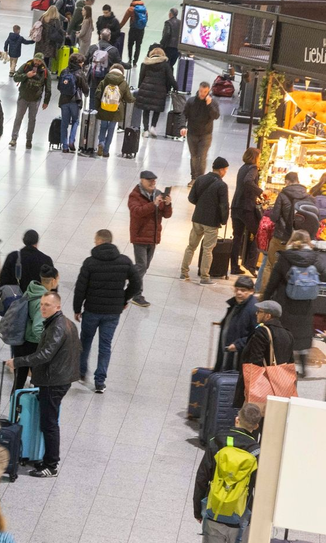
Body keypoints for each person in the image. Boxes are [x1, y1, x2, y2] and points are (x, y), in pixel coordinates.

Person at [6, 291, 80, 477]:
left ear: (58, 306)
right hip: (59, 378)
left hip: (54, 382)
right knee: (48, 422)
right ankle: (46, 459)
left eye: (47, 305)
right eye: (41, 304)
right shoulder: (66, 323)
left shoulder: (57, 327)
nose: (43, 308)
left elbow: (45, 354)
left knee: (49, 424)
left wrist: (18, 361)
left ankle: (51, 465)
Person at [74, 229, 142, 393]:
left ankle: (81, 372)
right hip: (112, 312)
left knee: (85, 341)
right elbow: (137, 283)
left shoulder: (90, 262)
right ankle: (100, 381)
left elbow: (80, 288)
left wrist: (77, 308)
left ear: (98, 241)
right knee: (105, 346)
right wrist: (123, 299)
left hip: (91, 310)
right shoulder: (125, 261)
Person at [193, 402, 262, 543]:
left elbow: (202, 477)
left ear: (237, 419)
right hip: (241, 518)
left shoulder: (218, 440)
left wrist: (198, 509)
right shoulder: (257, 451)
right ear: (256, 425)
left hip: (214, 512)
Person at [261, 231, 326, 376]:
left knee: (285, 334)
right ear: (308, 242)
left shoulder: (285, 257)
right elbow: (323, 274)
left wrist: (265, 298)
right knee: (303, 335)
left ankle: (283, 366)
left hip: (286, 301)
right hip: (306, 304)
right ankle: (303, 369)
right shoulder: (314, 258)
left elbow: (273, 281)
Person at [127, 171, 172, 308]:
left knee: (144, 266)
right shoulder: (135, 195)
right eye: (149, 181)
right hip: (140, 236)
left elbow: (167, 215)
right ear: (142, 180)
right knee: (141, 265)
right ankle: (136, 294)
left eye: (154, 181)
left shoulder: (157, 193)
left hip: (153, 237)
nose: (153, 183)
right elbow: (136, 212)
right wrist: (153, 204)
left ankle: (129, 280)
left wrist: (168, 204)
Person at [182, 157, 231, 284]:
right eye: (225, 170)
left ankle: (184, 272)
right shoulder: (222, 185)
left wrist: (201, 205)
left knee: (191, 246)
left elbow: (191, 198)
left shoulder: (200, 179)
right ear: (221, 170)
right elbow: (224, 206)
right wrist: (224, 220)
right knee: (208, 249)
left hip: (197, 218)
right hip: (211, 222)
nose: (225, 172)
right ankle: (204, 277)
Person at [231, 148, 263, 277]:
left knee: (237, 237)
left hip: (236, 206)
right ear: (255, 157)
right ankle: (250, 263)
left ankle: (234, 266)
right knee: (259, 233)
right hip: (246, 208)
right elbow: (248, 182)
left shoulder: (242, 168)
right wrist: (261, 192)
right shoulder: (253, 168)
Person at [133, 47, 176, 137]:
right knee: (157, 109)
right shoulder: (165, 65)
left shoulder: (146, 63)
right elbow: (170, 78)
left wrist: (140, 87)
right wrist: (176, 87)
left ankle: (145, 130)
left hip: (146, 88)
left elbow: (141, 76)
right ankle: (153, 126)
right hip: (159, 90)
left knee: (146, 110)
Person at [183, 83, 221, 184]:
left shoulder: (213, 102)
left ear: (208, 91)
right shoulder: (191, 101)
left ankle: (200, 179)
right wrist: (183, 126)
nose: (203, 94)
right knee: (194, 156)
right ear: (198, 90)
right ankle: (194, 178)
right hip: (192, 133)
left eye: (205, 92)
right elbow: (184, 114)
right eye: (201, 91)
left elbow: (216, 116)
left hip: (206, 134)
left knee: (202, 156)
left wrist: (209, 105)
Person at [217, 277, 258, 371]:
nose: (239, 293)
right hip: (227, 355)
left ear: (251, 291)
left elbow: (257, 335)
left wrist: (239, 345)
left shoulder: (253, 309)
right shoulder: (236, 304)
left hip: (237, 359)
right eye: (237, 289)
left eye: (243, 290)